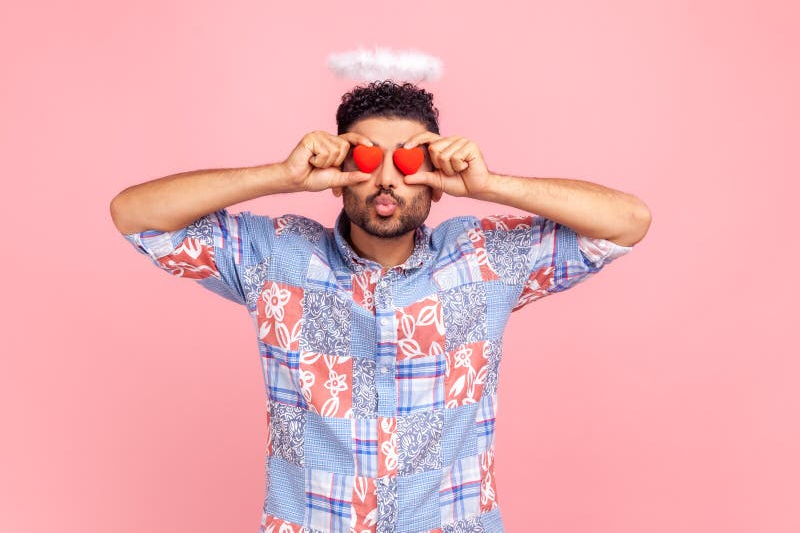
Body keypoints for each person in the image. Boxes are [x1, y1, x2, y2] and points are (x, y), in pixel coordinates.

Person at [110, 80, 651, 533]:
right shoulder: (274, 256)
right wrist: (281, 174)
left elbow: (628, 222)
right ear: (339, 168)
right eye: (367, 157)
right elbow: (135, 215)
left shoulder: (485, 259)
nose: (388, 177)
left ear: (436, 180)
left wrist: (488, 186)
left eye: (409, 159)